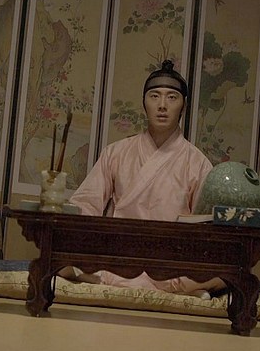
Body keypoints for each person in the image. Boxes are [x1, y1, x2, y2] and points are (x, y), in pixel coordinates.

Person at [63, 60, 225, 298]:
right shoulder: (116, 152)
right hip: (119, 254)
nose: (162, 105)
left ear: (183, 105)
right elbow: (86, 203)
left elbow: (205, 224)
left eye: (172, 98)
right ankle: (172, 291)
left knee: (223, 273)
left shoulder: (197, 162)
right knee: (62, 259)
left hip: (170, 261)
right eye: (154, 96)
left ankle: (116, 282)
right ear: (144, 103)